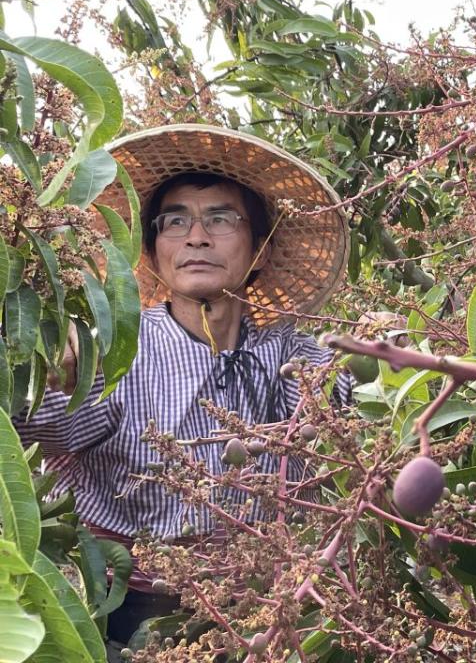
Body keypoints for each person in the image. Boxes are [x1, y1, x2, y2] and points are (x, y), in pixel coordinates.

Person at [12, 124, 352, 651]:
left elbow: (348, 407)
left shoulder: (292, 353)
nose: (197, 237)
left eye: (220, 219)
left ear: (259, 249)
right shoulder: (116, 350)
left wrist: (390, 354)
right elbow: (39, 421)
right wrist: (29, 358)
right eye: (176, 222)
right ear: (152, 251)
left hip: (262, 607)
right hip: (124, 605)